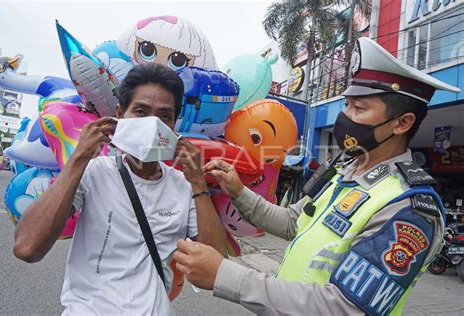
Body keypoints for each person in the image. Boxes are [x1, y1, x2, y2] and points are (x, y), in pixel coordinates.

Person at [173, 37, 461, 315]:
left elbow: (345, 308)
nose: (345, 117)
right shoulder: (342, 173)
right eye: (346, 105)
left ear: (402, 123)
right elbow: (290, 223)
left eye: (359, 108)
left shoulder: (408, 208)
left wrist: (225, 275)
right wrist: (237, 190)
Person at [13, 63, 226, 315]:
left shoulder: (183, 186)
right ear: (119, 114)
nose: (152, 124)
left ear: (173, 126)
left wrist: (198, 183)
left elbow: (216, 266)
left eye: (164, 116)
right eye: (140, 111)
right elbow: (27, 247)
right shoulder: (94, 172)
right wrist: (79, 158)